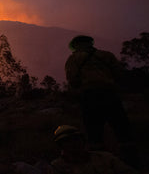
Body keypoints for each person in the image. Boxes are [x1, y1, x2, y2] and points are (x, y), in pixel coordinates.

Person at [65, 35, 137, 166]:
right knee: (122, 128)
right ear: (90, 43)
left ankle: (100, 164)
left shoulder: (73, 59)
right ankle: (131, 163)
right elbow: (119, 73)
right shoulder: (106, 55)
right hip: (110, 94)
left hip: (89, 97)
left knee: (94, 132)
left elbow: (73, 80)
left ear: (75, 46)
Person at [51, 125, 137, 174]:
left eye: (76, 139)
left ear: (83, 141)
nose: (74, 143)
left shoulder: (105, 157)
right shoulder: (56, 167)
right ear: (61, 145)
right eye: (68, 141)